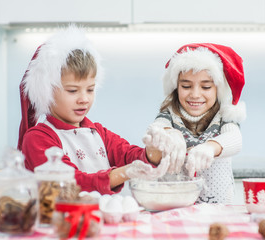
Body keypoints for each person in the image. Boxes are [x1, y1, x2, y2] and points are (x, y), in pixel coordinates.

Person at [17, 26, 186, 195]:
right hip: (63, 220)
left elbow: (130, 156)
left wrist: (153, 151)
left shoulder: (98, 133)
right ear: (46, 92)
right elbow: (72, 183)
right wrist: (123, 172)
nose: (84, 98)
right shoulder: (37, 138)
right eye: (72, 91)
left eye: (90, 89)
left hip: (99, 219)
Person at [146, 43, 246, 204]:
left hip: (217, 211)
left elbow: (235, 138)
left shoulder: (224, 116)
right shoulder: (169, 114)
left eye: (206, 87)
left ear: (218, 89)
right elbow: (157, 129)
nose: (195, 94)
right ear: (176, 87)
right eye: (186, 86)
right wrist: (170, 134)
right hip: (173, 207)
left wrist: (210, 147)